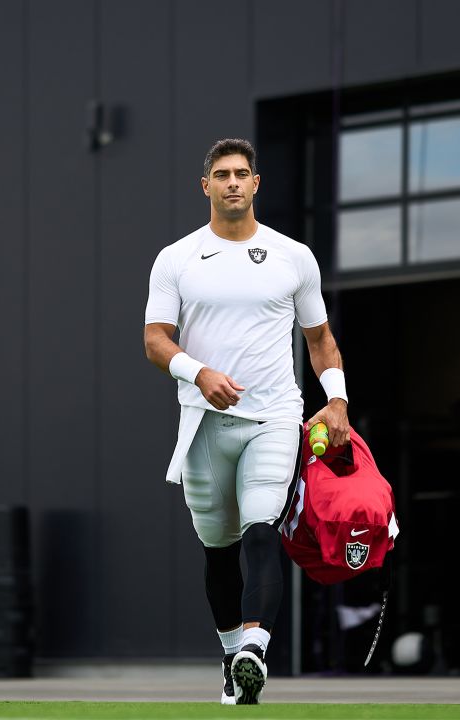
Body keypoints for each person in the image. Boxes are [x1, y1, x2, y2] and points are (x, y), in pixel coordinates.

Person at [143, 138, 350, 704]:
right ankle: (234, 657)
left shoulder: (294, 256)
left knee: (263, 528)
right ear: (205, 186)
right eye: (221, 174)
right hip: (204, 422)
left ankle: (255, 646)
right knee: (218, 546)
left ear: (256, 183)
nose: (232, 182)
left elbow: (320, 340)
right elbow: (155, 341)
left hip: (276, 415)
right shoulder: (176, 257)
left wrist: (336, 401)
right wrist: (198, 371)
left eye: (242, 173)